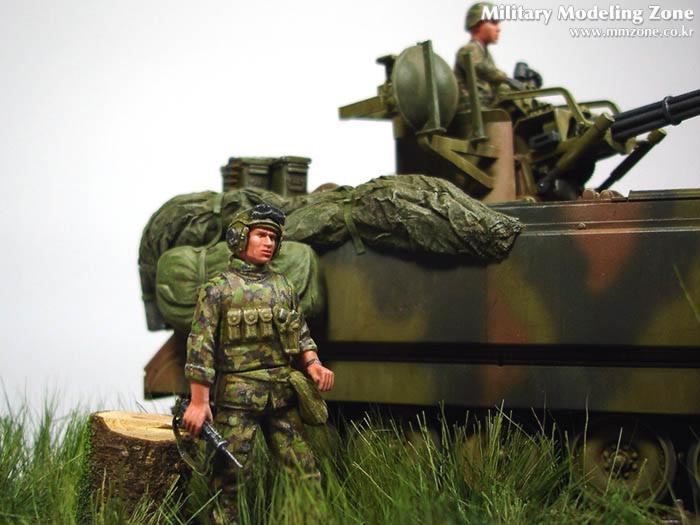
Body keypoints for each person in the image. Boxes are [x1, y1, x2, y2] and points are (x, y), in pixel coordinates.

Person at [182, 202, 334, 523]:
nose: (268, 243)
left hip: (281, 396)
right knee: (229, 479)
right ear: (240, 237)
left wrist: (313, 364)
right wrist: (199, 401)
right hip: (236, 400)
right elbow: (200, 347)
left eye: (273, 238)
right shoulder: (217, 290)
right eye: (261, 235)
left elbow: (299, 331)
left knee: (305, 472)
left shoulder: (283, 286)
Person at [454, 2, 510, 106]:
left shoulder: (486, 54)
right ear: (477, 25)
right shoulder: (468, 50)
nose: (498, 29)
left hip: (485, 106)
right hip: (470, 107)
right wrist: (507, 79)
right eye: (493, 23)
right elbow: (483, 70)